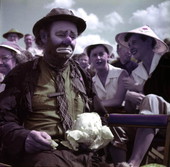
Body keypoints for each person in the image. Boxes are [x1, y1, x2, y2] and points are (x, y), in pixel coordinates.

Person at [0, 8, 113, 167]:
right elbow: (3, 118)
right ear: (44, 37)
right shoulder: (21, 74)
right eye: (61, 35)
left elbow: (100, 115)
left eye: (72, 36)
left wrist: (95, 135)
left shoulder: (83, 75)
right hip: (42, 155)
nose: (68, 41)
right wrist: (23, 137)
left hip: (84, 155)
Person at [115, 26, 169, 167]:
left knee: (151, 98)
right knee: (115, 125)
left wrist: (139, 88)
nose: (131, 47)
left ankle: (133, 163)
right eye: (129, 44)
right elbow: (130, 110)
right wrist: (128, 96)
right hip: (146, 125)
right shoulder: (135, 73)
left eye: (134, 42)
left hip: (167, 117)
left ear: (149, 42)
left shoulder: (166, 62)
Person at [84, 43, 129, 165]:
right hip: (103, 119)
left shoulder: (121, 73)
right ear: (90, 59)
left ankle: (121, 163)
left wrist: (96, 104)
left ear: (108, 56)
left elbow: (118, 101)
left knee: (113, 128)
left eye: (101, 54)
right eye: (94, 55)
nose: (98, 58)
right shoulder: (92, 81)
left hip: (124, 118)